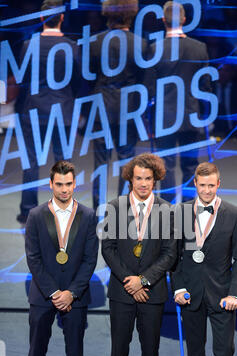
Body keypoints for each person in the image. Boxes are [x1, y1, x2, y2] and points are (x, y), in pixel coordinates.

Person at [18, 161, 99, 356]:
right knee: (36, 349)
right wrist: (54, 292)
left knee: (75, 349)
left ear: (75, 184)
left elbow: (90, 260)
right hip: (43, 294)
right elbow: (33, 258)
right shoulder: (35, 215)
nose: (64, 189)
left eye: (69, 184)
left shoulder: (87, 215)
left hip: (76, 296)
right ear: (51, 184)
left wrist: (71, 293)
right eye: (59, 184)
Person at [101, 153, 177, 356]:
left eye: (148, 178)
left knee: (150, 349)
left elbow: (170, 254)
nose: (143, 184)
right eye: (138, 178)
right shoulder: (115, 207)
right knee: (119, 348)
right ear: (130, 179)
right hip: (122, 292)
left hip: (152, 292)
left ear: (155, 179)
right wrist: (130, 281)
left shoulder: (168, 210)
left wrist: (143, 281)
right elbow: (107, 249)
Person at [172, 162, 237, 356]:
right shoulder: (179, 212)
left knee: (224, 351)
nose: (206, 190)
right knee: (195, 352)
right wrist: (179, 287)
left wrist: (235, 294)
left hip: (222, 295)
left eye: (211, 185)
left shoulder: (235, 214)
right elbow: (174, 257)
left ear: (219, 184)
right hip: (191, 294)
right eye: (202, 185)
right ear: (194, 184)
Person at [16, 0, 81, 224]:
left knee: (31, 160)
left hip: (33, 109)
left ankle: (27, 210)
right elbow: (78, 81)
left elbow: (23, 80)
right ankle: (64, 207)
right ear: (61, 18)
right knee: (63, 162)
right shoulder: (72, 46)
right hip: (62, 110)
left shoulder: (28, 45)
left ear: (42, 18)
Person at [148, 1, 211, 202]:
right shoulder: (199, 48)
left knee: (165, 166)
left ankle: (166, 214)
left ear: (163, 20)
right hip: (191, 115)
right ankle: (188, 214)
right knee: (190, 166)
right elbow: (205, 87)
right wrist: (206, 115)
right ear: (184, 20)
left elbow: (149, 87)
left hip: (163, 117)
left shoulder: (155, 48)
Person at [89, 0, 146, 206]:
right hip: (128, 109)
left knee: (100, 163)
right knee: (127, 162)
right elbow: (143, 81)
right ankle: (124, 210)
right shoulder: (140, 43)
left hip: (102, 106)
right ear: (130, 16)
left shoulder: (95, 42)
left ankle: (98, 210)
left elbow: (88, 78)